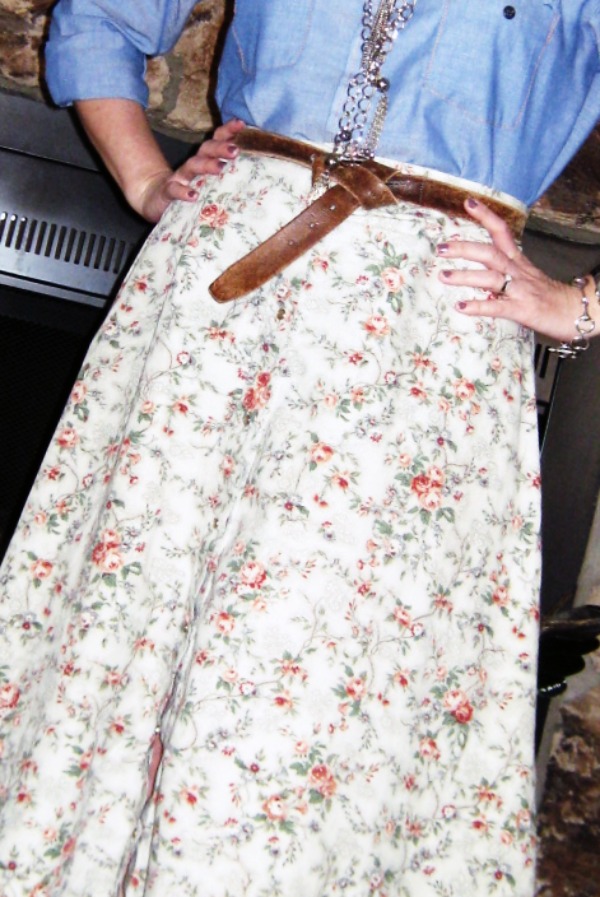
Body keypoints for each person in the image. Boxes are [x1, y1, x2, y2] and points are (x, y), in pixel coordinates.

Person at [0, 2, 598, 896]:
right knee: (129, 629)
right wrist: (145, 179)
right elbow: (98, 21)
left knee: (317, 681)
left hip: (424, 332)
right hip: (216, 298)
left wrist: (578, 306)